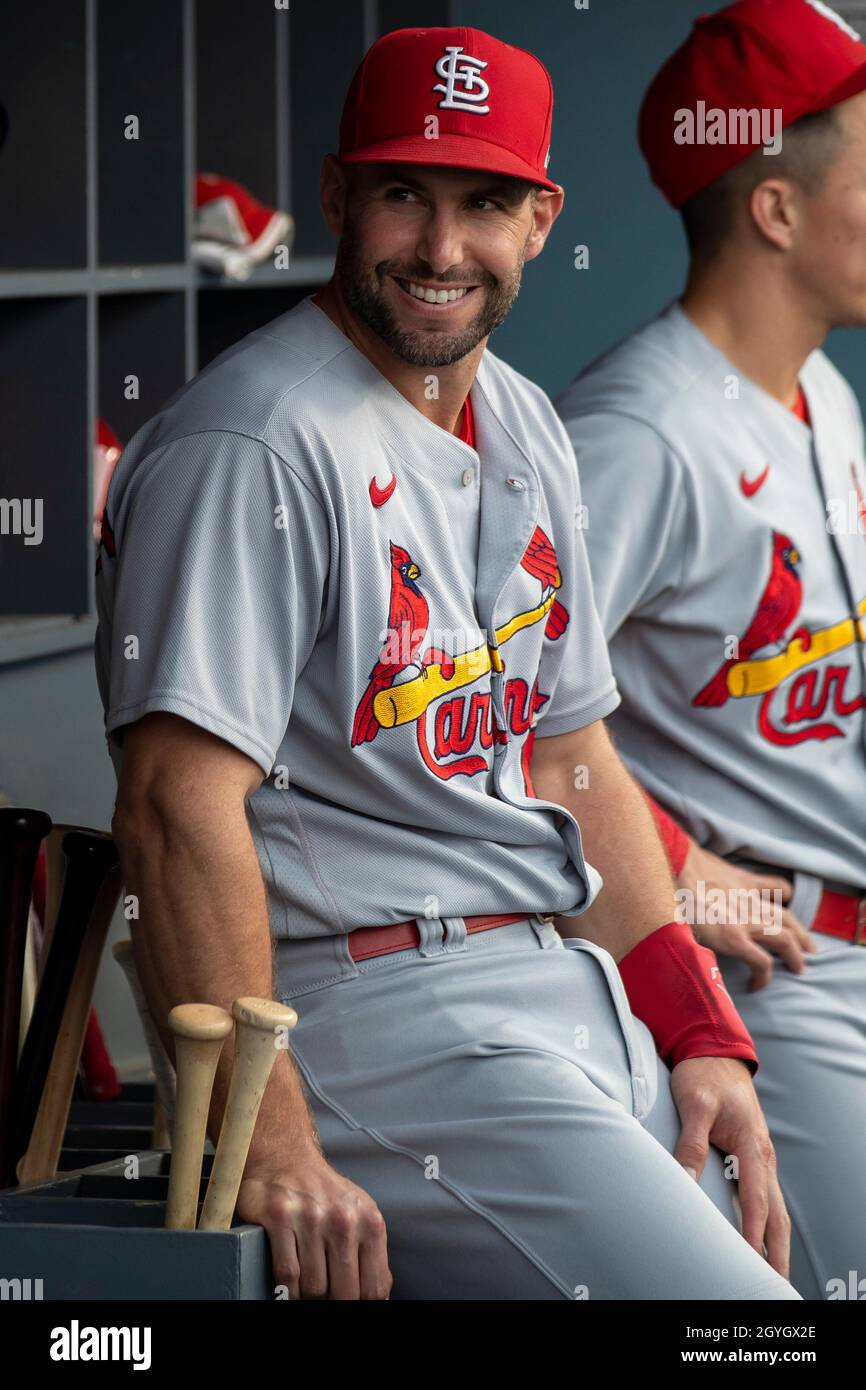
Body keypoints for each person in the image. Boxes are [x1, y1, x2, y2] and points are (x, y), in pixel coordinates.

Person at [94, 25, 798, 1300]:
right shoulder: (248, 447)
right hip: (369, 1006)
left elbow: (571, 752)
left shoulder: (526, 418)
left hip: (554, 983)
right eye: (403, 193)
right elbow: (167, 803)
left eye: (481, 203)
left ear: (541, 218)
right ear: (335, 196)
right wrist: (266, 1133)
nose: (437, 248)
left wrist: (695, 1028)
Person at [556, 0, 866, 1301]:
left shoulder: (819, 390)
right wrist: (678, 865)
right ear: (776, 212)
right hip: (776, 984)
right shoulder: (632, 432)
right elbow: (503, 711)